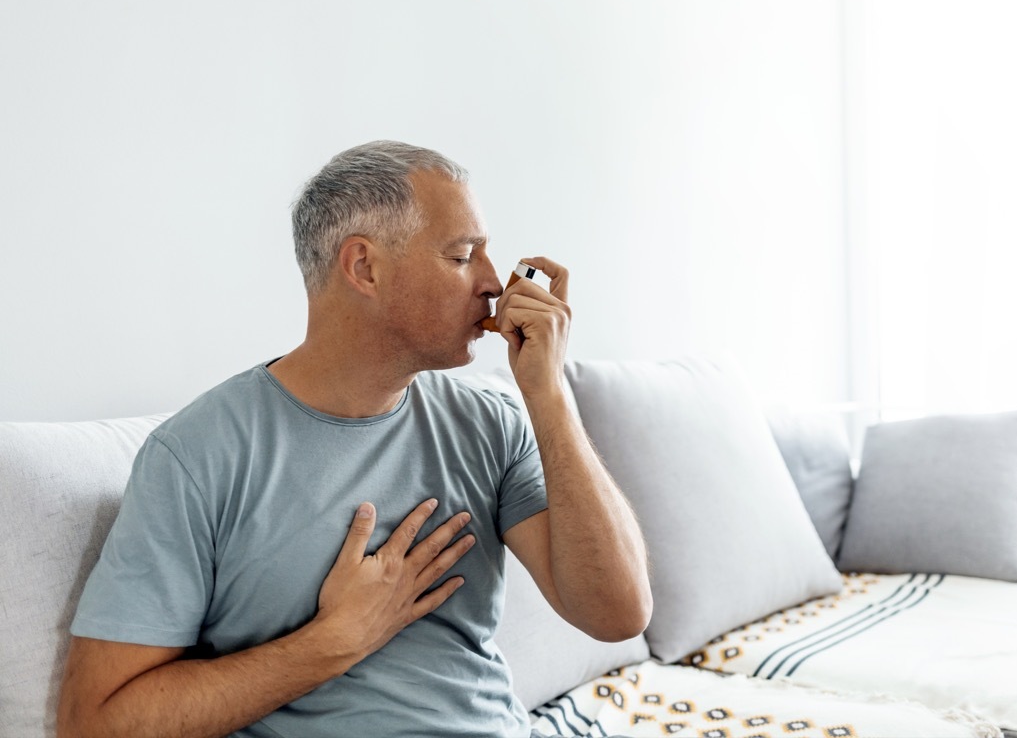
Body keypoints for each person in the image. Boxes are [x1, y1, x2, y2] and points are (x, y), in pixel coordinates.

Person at [56, 141, 653, 738]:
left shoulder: (492, 424)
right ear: (364, 266)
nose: (495, 283)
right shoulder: (196, 456)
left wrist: (547, 393)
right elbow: (96, 723)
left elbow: (619, 613)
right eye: (464, 255)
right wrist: (333, 642)